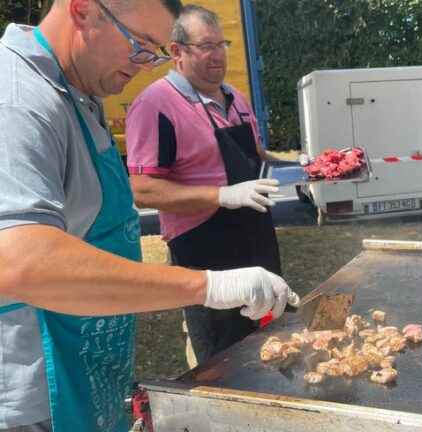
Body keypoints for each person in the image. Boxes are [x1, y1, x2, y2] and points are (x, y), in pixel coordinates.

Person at [0, 0, 298, 430]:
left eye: (154, 50)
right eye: (140, 45)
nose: (146, 65)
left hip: (83, 362)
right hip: (33, 392)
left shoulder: (80, 91)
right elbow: (22, 262)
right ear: (83, 11)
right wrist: (208, 284)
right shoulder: (18, 100)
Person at [125, 5, 286, 368]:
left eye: (222, 44)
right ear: (177, 51)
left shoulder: (235, 97)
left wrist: (299, 164)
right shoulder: (155, 105)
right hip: (203, 248)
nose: (218, 55)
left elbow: (255, 152)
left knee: (270, 336)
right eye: (206, 46)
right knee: (222, 355)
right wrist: (221, 196)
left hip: (256, 235)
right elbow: (143, 189)